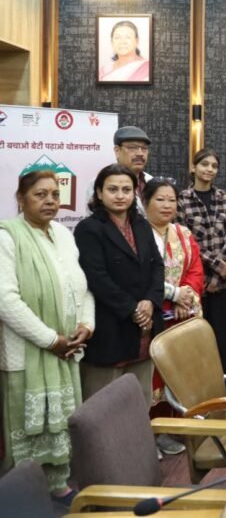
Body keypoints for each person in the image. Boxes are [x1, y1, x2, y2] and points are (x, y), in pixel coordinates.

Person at [0, 171, 94, 503]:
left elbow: (82, 287)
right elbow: (6, 300)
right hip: (26, 354)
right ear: (21, 199)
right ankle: (26, 496)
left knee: (60, 423)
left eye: (55, 194)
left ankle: (58, 484)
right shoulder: (7, 237)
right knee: (29, 427)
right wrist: (50, 340)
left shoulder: (63, 234)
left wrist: (86, 324)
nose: (50, 201)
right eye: (40, 195)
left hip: (66, 348)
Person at [74, 164, 164, 404]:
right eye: (112, 189)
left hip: (145, 328)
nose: (120, 195)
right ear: (99, 193)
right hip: (111, 327)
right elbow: (96, 278)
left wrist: (150, 301)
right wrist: (133, 309)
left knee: (140, 401)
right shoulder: (89, 229)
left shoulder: (141, 224)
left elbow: (157, 265)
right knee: (104, 405)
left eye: (126, 189)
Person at [143, 177, 203, 458]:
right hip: (151, 317)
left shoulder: (183, 233)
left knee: (174, 374)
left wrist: (186, 296)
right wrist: (172, 296)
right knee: (150, 377)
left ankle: (167, 431)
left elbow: (196, 270)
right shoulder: (138, 233)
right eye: (160, 199)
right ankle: (146, 435)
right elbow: (141, 277)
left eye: (172, 200)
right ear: (145, 202)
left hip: (181, 316)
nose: (167, 205)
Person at [177, 149, 226, 375]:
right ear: (194, 167)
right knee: (197, 338)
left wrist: (220, 272)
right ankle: (200, 387)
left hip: (224, 283)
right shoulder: (182, 200)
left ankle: (225, 387)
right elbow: (186, 240)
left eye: (214, 166)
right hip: (196, 283)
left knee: (222, 338)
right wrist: (215, 267)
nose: (209, 169)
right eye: (204, 164)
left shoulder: (225, 198)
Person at [87, 126, 154, 216]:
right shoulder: (99, 182)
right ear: (117, 151)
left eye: (144, 148)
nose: (140, 153)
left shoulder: (151, 180)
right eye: (132, 148)